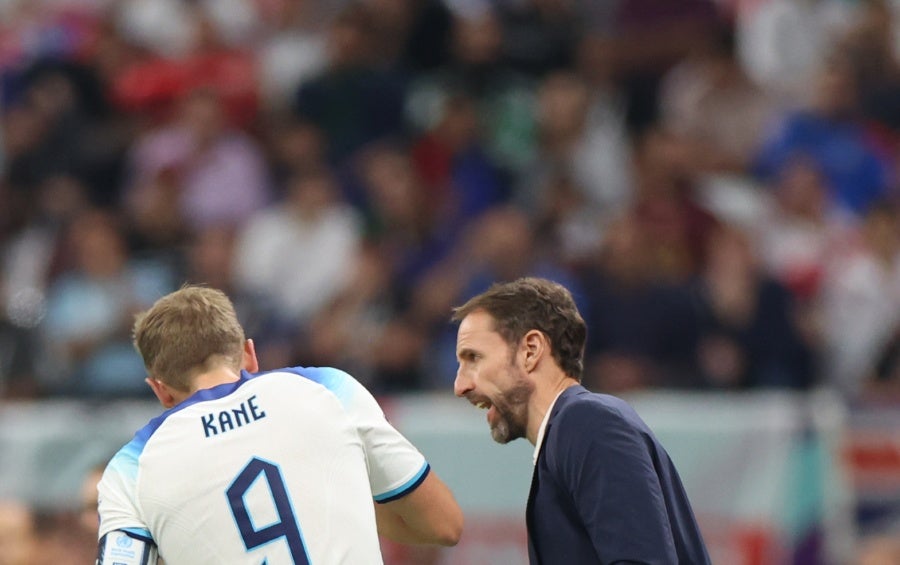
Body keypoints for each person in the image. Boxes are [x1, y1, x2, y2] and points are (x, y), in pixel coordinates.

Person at [97, 285, 463, 564]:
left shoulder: (131, 468)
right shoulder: (328, 388)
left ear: (160, 391)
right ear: (249, 355)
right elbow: (444, 525)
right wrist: (341, 494)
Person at [451, 277, 710, 564]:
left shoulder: (588, 423)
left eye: (474, 358)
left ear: (531, 350)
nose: (460, 386)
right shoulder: (569, 433)